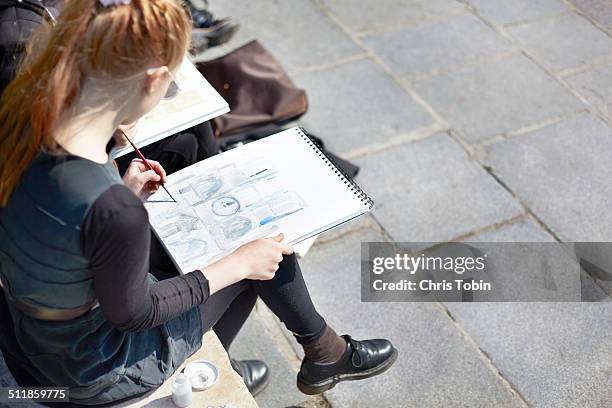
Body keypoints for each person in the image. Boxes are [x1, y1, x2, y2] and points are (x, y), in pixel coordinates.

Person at [0, 0, 398, 405]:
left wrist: (124, 185)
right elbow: (135, 314)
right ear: (153, 79)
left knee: (240, 244)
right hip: (87, 370)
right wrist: (238, 263)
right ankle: (307, 354)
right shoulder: (113, 209)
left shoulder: (27, 123)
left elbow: (56, 221)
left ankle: (313, 351)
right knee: (259, 253)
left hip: (26, 337)